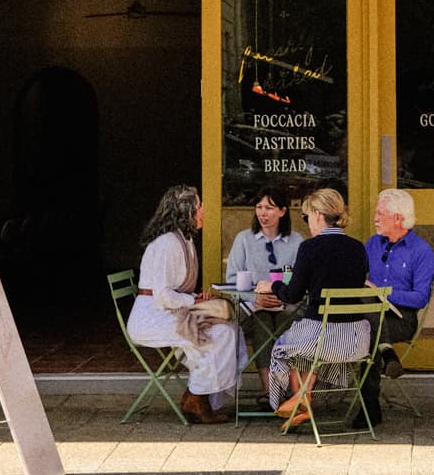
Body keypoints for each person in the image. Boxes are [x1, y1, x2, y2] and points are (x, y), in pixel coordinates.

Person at [125, 184, 243, 424]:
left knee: (229, 330)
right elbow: (163, 296)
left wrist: (195, 300)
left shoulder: (184, 240)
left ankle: (199, 395)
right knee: (220, 333)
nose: (203, 211)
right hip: (153, 318)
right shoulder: (167, 243)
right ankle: (197, 398)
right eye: (199, 206)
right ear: (186, 211)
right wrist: (195, 300)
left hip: (169, 313)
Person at [258, 188, 372, 432]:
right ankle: (302, 401)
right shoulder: (358, 248)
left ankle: (300, 401)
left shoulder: (310, 248)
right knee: (302, 340)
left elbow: (292, 295)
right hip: (355, 340)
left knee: (288, 345)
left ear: (318, 215)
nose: (307, 223)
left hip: (322, 338)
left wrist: (273, 285)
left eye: (307, 216)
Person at [361, 187, 434, 426]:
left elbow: (420, 298)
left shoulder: (421, 251)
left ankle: (369, 404)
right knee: (368, 321)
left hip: (401, 319)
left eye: (380, 214)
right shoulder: (372, 244)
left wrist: (387, 294)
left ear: (398, 218)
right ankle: (387, 353)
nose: (375, 219)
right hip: (370, 316)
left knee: (367, 331)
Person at [224, 186, 300, 395]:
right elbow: (231, 281)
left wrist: (283, 296)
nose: (263, 213)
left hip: (287, 305)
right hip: (253, 307)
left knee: (287, 320)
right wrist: (255, 300)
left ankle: (291, 388)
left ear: (283, 211)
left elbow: (302, 281)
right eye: (259, 207)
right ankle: (271, 391)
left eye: (269, 207)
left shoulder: (296, 241)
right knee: (262, 322)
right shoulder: (244, 239)